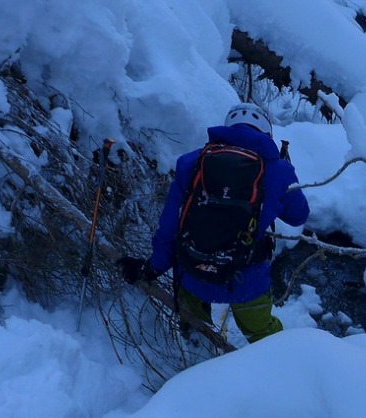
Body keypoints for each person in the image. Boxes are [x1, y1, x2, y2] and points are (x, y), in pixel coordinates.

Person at [117, 102, 309, 343]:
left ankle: (199, 358)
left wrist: (154, 268)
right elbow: (298, 216)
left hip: (193, 272)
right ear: (267, 133)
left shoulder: (191, 163)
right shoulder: (278, 171)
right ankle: (282, 369)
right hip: (246, 280)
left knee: (195, 326)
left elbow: (169, 225)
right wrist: (285, 176)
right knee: (263, 335)